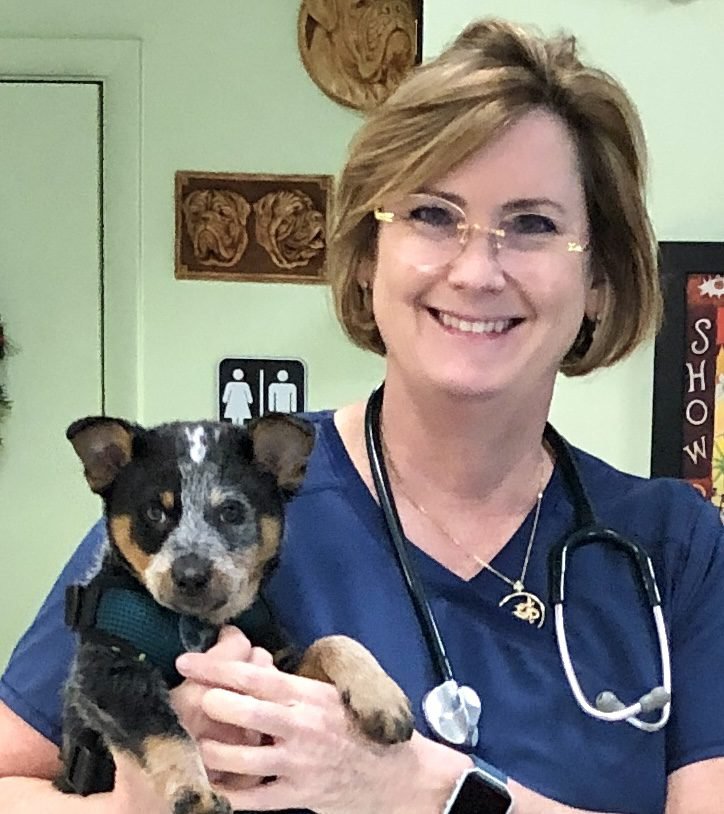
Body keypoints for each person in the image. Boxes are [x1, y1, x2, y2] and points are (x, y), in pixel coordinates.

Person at [2, 16, 724, 814]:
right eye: (431, 215)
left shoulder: (675, 550)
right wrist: (133, 806)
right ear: (368, 252)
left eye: (533, 225)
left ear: (600, 280)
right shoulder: (213, 499)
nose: (477, 269)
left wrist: (425, 788)